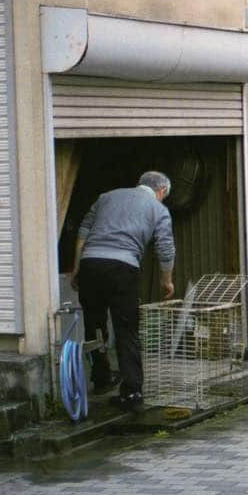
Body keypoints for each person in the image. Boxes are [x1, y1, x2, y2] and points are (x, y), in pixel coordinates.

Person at [72, 171, 176, 412]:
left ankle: (101, 379)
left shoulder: (106, 197)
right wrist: (166, 281)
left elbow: (83, 231)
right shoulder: (158, 209)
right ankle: (132, 392)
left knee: (94, 325)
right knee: (126, 328)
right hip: (123, 267)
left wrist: (77, 267)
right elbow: (165, 247)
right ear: (161, 192)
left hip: (91, 263)